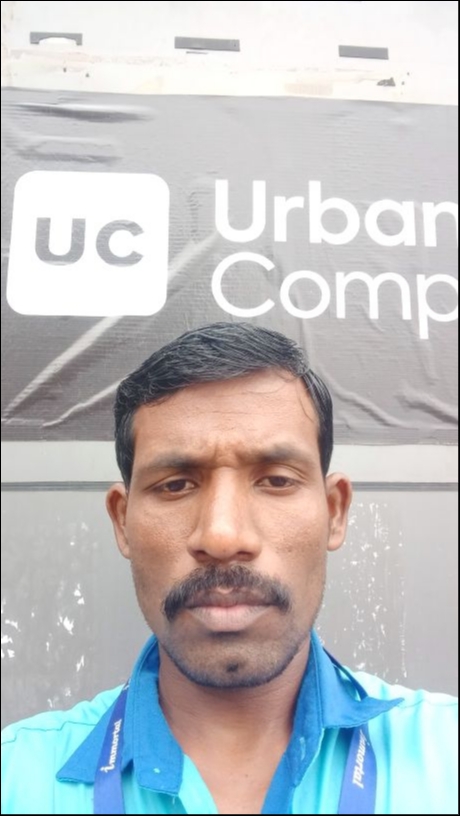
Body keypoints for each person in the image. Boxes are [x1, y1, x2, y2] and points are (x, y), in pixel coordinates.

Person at [1, 322, 457, 815]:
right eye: (176, 485)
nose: (222, 537)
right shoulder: (16, 777)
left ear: (334, 512)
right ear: (122, 522)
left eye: (276, 480)